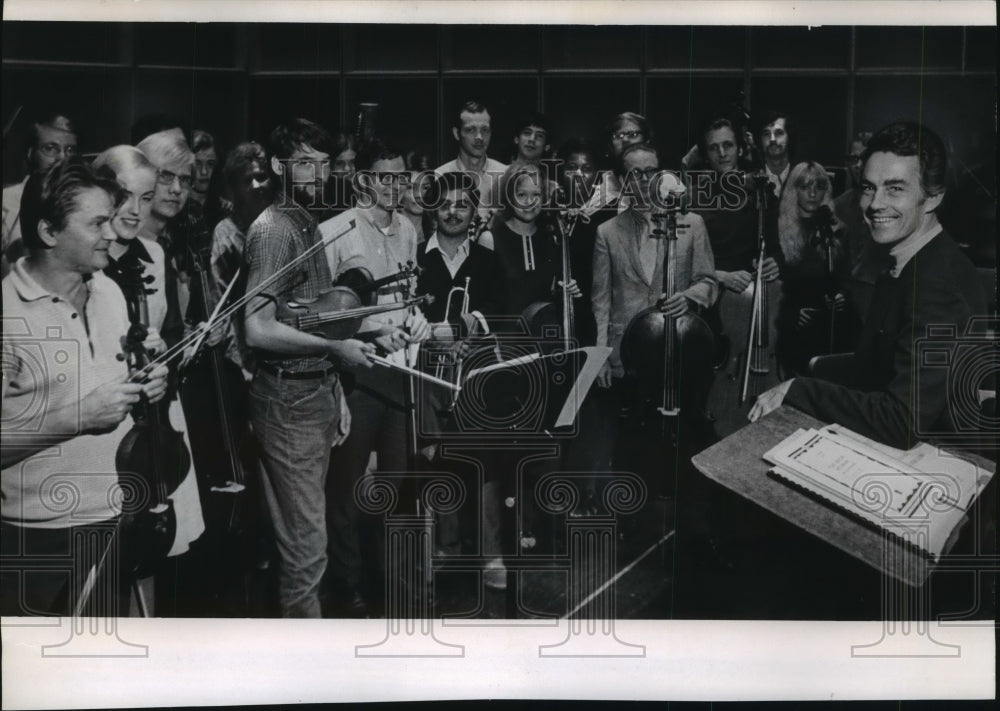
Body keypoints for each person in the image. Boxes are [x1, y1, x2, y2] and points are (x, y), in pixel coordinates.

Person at [750, 121, 987, 450]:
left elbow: (901, 423)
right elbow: (876, 365)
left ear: (932, 198)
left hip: (941, 459)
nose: (875, 204)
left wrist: (799, 390)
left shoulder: (937, 286)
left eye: (895, 189)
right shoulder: (907, 259)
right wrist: (814, 372)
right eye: (868, 187)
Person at [1, 160, 169, 616]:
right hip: (33, 538)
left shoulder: (111, 291)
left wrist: (150, 379)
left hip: (115, 523)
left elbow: (115, 389)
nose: (113, 234)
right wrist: (78, 417)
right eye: (97, 223)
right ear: (49, 231)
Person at [241, 117, 376, 618]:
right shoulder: (275, 228)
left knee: (307, 545)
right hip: (288, 402)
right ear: (279, 166)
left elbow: (313, 319)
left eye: (323, 166)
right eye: (305, 165)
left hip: (312, 392)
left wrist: (337, 378)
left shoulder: (305, 220)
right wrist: (339, 354)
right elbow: (256, 329)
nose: (318, 175)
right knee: (304, 553)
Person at [320, 138, 431, 616]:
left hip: (398, 373)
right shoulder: (335, 231)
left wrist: (416, 321)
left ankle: (390, 587)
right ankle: (347, 589)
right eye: (383, 177)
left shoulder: (408, 227)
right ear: (363, 179)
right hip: (355, 374)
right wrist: (371, 330)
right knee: (344, 490)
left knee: (395, 485)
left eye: (401, 177)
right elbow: (323, 315)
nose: (393, 186)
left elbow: (407, 296)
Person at [592, 142, 718, 442]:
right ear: (622, 181)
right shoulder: (606, 232)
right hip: (627, 354)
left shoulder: (692, 223)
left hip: (676, 349)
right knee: (630, 440)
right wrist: (600, 356)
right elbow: (601, 302)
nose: (646, 180)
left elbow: (709, 283)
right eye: (636, 174)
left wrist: (688, 297)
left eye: (652, 172)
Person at [772, 161, 860, 375]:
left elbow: (845, 277)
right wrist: (789, 315)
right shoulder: (777, 229)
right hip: (790, 323)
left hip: (828, 321)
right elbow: (773, 286)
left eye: (819, 187)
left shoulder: (837, 229)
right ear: (794, 191)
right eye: (805, 187)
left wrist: (842, 295)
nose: (812, 193)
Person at [2, 113, 78, 276]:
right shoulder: (5, 203)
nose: (62, 159)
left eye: (70, 150)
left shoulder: (84, 202)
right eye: (50, 149)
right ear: (30, 154)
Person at [435, 100, 508, 223]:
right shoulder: (438, 176)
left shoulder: (505, 175)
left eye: (485, 130)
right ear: (456, 133)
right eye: (470, 130)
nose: (479, 137)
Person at [581, 111, 651, 216]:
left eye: (633, 134)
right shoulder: (598, 186)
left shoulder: (667, 184)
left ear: (646, 141)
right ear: (611, 146)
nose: (625, 139)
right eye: (618, 135)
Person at [755, 110, 793, 198]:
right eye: (766, 134)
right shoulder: (750, 181)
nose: (772, 139)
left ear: (789, 137)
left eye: (779, 133)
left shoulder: (802, 177)